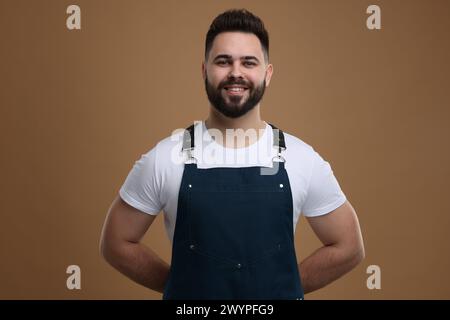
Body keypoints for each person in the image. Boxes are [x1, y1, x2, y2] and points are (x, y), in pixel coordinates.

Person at [100, 8, 365, 300]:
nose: (235, 72)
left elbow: (349, 246)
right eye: (223, 62)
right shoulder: (166, 157)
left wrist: (283, 286)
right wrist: (181, 286)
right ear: (205, 71)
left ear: (267, 73)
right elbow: (115, 242)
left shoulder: (300, 159)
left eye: (248, 62)